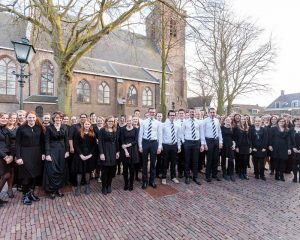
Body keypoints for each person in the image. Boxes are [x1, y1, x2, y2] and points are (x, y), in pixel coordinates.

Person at [16, 111, 45, 205]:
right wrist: (18, 157)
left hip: (36, 154)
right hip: (25, 153)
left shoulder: (39, 127)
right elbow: (18, 144)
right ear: (26, 118)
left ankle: (31, 193)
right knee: (26, 176)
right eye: (29, 117)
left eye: (33, 117)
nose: (31, 119)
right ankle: (25, 196)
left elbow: (42, 142)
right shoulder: (21, 128)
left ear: (36, 118)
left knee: (34, 175)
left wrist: (43, 153)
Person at [43, 112, 69, 199]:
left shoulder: (64, 127)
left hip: (62, 151)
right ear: (53, 119)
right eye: (56, 118)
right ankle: (52, 190)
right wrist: (47, 154)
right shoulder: (49, 128)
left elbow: (66, 140)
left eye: (60, 118)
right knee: (52, 170)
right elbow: (46, 141)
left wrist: (67, 151)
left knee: (61, 169)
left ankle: (58, 189)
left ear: (62, 119)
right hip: (52, 150)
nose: (58, 119)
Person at [138, 108, 162, 189]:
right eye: (151, 112)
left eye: (153, 112)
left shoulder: (158, 123)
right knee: (144, 163)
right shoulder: (143, 122)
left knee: (153, 163)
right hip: (145, 142)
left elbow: (160, 135)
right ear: (148, 112)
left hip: (154, 143)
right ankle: (145, 181)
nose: (152, 113)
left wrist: (159, 147)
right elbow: (140, 134)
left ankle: (152, 181)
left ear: (155, 113)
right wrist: (140, 145)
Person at [73, 120, 97, 195]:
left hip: (89, 155)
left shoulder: (92, 133)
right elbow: (76, 144)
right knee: (79, 172)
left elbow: (94, 145)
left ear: (90, 125)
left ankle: (87, 186)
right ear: (83, 125)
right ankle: (78, 187)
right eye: (85, 124)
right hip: (80, 155)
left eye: (88, 124)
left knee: (87, 171)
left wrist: (90, 154)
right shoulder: (78, 132)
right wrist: (81, 155)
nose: (87, 125)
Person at [181, 108, 203, 185]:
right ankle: (187, 176)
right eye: (190, 112)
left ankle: (195, 176)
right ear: (189, 113)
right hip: (188, 142)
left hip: (196, 142)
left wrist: (202, 144)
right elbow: (181, 133)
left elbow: (201, 133)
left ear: (195, 113)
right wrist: (184, 142)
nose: (192, 113)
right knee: (187, 160)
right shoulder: (185, 122)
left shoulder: (199, 122)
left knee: (195, 160)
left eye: (193, 112)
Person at [98, 116, 120, 195]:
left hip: (113, 151)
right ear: (106, 122)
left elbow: (117, 142)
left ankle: (109, 185)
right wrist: (101, 153)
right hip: (105, 151)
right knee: (105, 171)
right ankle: (104, 186)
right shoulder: (102, 130)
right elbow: (100, 142)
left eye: (112, 121)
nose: (111, 123)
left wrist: (117, 152)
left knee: (111, 170)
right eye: (109, 121)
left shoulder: (115, 130)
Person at [202, 107, 223, 182]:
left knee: (216, 159)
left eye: (214, 112)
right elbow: (203, 133)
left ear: (215, 113)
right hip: (209, 141)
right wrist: (204, 144)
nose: (212, 114)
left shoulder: (217, 120)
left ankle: (214, 174)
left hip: (216, 141)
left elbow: (219, 132)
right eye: (211, 112)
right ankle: (208, 175)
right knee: (209, 159)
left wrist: (220, 141)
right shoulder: (205, 121)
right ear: (208, 113)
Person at [161, 110, 181, 185]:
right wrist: (161, 145)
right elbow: (161, 136)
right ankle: (163, 177)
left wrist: (178, 146)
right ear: (168, 116)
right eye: (171, 115)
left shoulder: (177, 125)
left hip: (174, 145)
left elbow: (179, 136)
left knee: (173, 162)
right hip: (166, 145)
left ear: (175, 116)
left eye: (173, 115)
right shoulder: (164, 125)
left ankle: (173, 177)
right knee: (165, 163)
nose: (172, 116)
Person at [120, 115, 139, 191]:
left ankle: (131, 184)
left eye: (130, 121)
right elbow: (122, 140)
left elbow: (136, 141)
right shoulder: (123, 129)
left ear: (132, 121)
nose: (129, 122)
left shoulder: (136, 129)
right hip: (124, 150)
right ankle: (126, 183)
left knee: (132, 169)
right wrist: (125, 150)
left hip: (133, 150)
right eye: (127, 121)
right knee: (125, 169)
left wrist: (128, 145)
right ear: (126, 122)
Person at [0, 112, 13, 207]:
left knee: (7, 175)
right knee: (4, 175)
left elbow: (10, 143)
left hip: (7, 155)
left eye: (5, 118)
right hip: (1, 156)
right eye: (2, 118)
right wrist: (5, 156)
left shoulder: (5, 129)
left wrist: (11, 155)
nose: (4, 119)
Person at [234, 116, 252, 180]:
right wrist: (236, 147)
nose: (243, 120)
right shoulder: (237, 128)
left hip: (246, 146)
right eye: (242, 119)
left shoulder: (248, 128)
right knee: (240, 160)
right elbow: (235, 138)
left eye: (244, 119)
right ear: (240, 120)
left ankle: (245, 173)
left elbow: (250, 138)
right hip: (240, 146)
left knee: (245, 160)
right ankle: (240, 173)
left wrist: (250, 147)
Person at [5, 112, 18, 198]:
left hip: (14, 152)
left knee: (12, 171)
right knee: (5, 173)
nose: (12, 120)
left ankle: (10, 189)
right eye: (11, 118)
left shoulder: (17, 128)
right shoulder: (3, 128)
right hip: (5, 153)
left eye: (14, 118)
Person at [221, 117, 236, 182]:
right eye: (226, 120)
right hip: (223, 145)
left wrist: (234, 144)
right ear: (224, 121)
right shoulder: (221, 128)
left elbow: (234, 138)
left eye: (229, 120)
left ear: (231, 121)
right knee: (224, 159)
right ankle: (224, 173)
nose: (228, 121)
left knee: (231, 159)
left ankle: (231, 173)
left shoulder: (232, 128)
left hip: (230, 145)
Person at [175, 109, 186, 178]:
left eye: (182, 113)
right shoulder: (176, 122)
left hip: (187, 141)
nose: (181, 114)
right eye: (180, 113)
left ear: (184, 114)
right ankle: (180, 172)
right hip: (179, 142)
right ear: (178, 114)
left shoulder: (187, 122)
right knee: (180, 158)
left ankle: (186, 171)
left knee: (187, 158)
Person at [291, 117, 300, 183]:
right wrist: (293, 148)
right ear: (294, 122)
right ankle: (295, 177)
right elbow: (289, 140)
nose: (298, 123)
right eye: (296, 121)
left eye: (299, 121)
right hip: (293, 150)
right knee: (294, 164)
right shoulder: (291, 130)